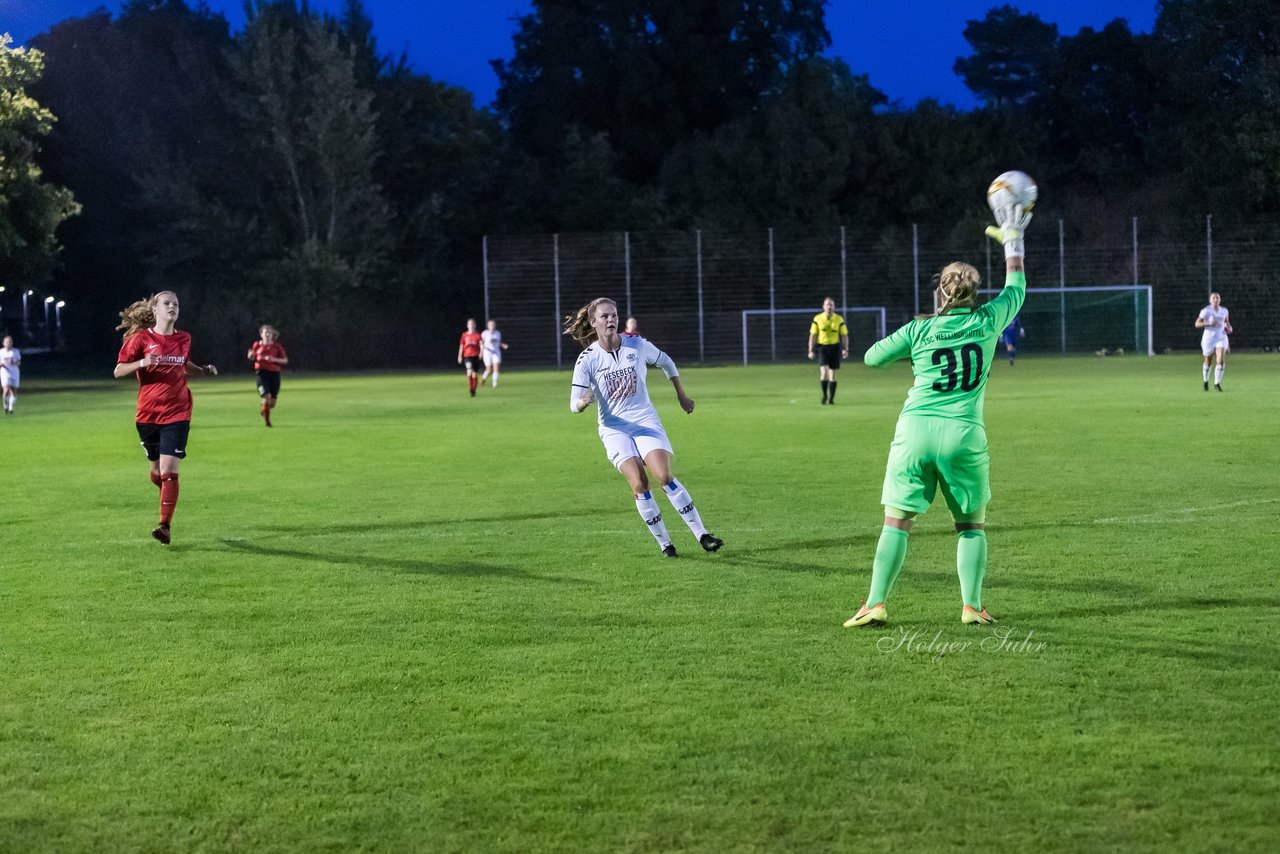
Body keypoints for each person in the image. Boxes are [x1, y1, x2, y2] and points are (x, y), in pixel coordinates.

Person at [844, 197, 1033, 628]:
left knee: (896, 522)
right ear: (972, 293)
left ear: (940, 289)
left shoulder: (920, 328)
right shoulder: (987, 321)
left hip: (915, 432)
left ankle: (875, 603)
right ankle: (971, 607)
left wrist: (913, 347)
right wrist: (1013, 244)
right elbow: (1017, 290)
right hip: (963, 434)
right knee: (970, 526)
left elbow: (872, 358)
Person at [565, 297, 723, 558]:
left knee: (664, 476)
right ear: (593, 322)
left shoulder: (636, 345)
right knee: (639, 482)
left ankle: (702, 535)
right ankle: (666, 545)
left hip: (645, 420)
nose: (611, 320)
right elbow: (573, 403)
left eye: (614, 315)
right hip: (614, 429)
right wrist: (582, 403)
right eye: (604, 316)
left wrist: (681, 395)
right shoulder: (587, 360)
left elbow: (666, 362)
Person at [113, 291, 218, 545]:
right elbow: (118, 370)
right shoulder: (141, 339)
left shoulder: (184, 338)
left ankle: (164, 526)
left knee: (169, 470)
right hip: (148, 414)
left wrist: (202, 371)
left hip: (178, 412)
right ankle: (167, 494)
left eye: (176, 304)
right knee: (157, 472)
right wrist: (143, 363)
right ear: (155, 309)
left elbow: (182, 364)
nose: (172, 307)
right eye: (167, 303)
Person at [807, 297, 849, 404]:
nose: (829, 307)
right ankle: (825, 395)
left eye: (831, 305)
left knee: (832, 376)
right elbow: (813, 335)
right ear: (823, 306)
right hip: (822, 348)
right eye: (827, 305)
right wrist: (810, 350)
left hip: (835, 347)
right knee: (824, 373)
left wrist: (845, 349)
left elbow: (844, 335)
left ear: (834, 307)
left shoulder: (839, 319)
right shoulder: (817, 319)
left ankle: (831, 398)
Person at [247, 324, 288, 426]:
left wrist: (274, 359)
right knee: (266, 396)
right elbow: (251, 357)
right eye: (266, 332)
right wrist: (250, 356)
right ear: (261, 334)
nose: (268, 334)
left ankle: (264, 410)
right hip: (262, 374)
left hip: (274, 375)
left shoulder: (276, 346)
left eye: (270, 332)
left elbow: (285, 360)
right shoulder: (257, 345)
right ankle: (267, 423)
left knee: (272, 403)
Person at [1195, 292, 1232, 391]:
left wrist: (1229, 328)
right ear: (1210, 300)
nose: (1215, 299)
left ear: (1220, 300)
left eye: (1217, 298)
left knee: (1220, 360)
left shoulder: (1224, 311)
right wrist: (1208, 323)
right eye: (1213, 298)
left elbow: (1227, 323)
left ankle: (1217, 383)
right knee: (1208, 361)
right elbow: (1197, 324)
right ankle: (1205, 381)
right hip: (1209, 339)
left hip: (1221, 337)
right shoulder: (1205, 311)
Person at [479, 319, 509, 388]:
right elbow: (481, 343)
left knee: (496, 368)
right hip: (487, 352)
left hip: (496, 352)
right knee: (489, 370)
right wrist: (481, 352)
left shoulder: (498, 333)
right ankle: (483, 378)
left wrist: (503, 345)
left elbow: (498, 342)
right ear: (488, 326)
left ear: (495, 326)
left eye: (493, 325)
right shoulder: (484, 333)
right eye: (490, 325)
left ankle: (494, 384)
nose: (492, 326)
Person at [457, 319, 483, 397]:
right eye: (469, 324)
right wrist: (459, 356)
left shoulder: (478, 335)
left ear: (475, 325)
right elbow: (461, 346)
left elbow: (481, 345)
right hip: (467, 356)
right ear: (467, 325)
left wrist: (481, 352)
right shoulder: (464, 335)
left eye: (472, 324)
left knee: (474, 375)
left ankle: (473, 390)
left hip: (475, 356)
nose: (471, 326)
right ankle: (470, 388)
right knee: (469, 371)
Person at [0, 335, 20, 415]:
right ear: (3, 343)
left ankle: (11, 408)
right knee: (6, 389)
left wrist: (13, 362)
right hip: (5, 372)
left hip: (14, 372)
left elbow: (19, 362)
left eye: (10, 342)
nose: (9, 343)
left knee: (14, 391)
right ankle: (5, 405)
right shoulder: (1, 352)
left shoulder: (15, 351)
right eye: (7, 342)